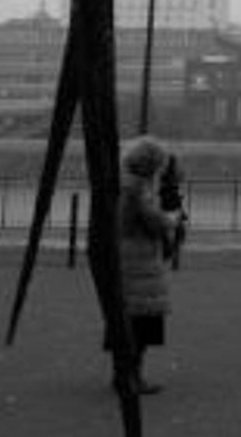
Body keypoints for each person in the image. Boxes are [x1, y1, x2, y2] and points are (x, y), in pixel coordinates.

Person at [105, 135, 175, 396]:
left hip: (126, 257)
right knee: (140, 324)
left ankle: (122, 374)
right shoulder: (139, 189)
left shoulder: (125, 185)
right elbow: (153, 221)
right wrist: (171, 220)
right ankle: (132, 377)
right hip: (140, 260)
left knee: (127, 321)